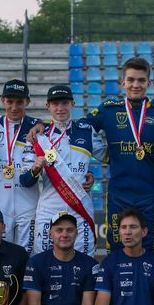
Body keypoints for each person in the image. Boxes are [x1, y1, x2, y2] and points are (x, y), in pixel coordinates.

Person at [82, 57, 154, 252]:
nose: (136, 85)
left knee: (152, 250)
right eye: (131, 80)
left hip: (150, 195)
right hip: (119, 193)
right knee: (117, 249)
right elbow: (81, 130)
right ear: (122, 82)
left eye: (141, 80)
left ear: (149, 83)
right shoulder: (109, 110)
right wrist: (104, 154)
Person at [21, 84, 99, 256]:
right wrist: (35, 169)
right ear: (48, 106)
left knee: (85, 260)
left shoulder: (87, 132)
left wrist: (90, 174)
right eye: (55, 104)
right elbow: (24, 181)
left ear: (73, 104)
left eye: (64, 103)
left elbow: (108, 156)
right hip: (49, 207)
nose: (60, 108)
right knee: (44, 260)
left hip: (80, 206)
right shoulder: (37, 136)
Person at [0, 80, 39, 254]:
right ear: (2, 101)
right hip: (0, 202)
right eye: (10, 102)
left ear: (27, 102)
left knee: (27, 254)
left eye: (20, 102)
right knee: (2, 254)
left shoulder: (38, 127)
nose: (14, 107)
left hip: (29, 202)